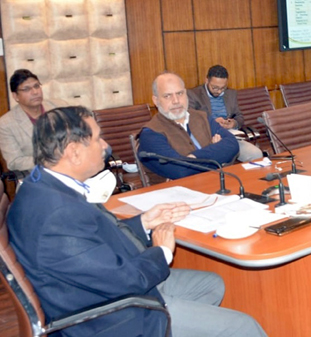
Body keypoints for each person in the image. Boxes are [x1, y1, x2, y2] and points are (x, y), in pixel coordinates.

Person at [7, 106, 267, 337]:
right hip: (111, 316)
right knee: (243, 327)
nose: (106, 146)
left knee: (212, 285)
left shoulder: (45, 185)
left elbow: (94, 241)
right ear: (73, 152)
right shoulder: (56, 215)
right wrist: (162, 250)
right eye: (98, 139)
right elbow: (123, 280)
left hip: (103, 285)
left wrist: (144, 222)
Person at [139, 72, 238, 180]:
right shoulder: (150, 133)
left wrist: (194, 157)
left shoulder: (202, 117)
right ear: (156, 101)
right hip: (178, 193)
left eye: (180, 93)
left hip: (216, 185)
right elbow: (180, 170)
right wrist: (215, 150)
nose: (176, 101)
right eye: (167, 96)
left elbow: (232, 145)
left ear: (186, 93)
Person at [188, 65, 264, 162]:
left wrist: (234, 123)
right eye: (215, 88)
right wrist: (213, 123)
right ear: (206, 80)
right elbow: (191, 121)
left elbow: (239, 116)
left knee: (256, 154)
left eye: (223, 88)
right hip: (206, 139)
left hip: (229, 138)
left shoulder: (231, 94)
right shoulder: (193, 95)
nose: (219, 91)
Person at [0, 69, 66, 172]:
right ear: (15, 96)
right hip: (37, 175)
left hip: (72, 169)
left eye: (36, 86)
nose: (35, 92)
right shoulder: (6, 124)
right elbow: (14, 161)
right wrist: (51, 160)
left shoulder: (60, 107)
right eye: (26, 89)